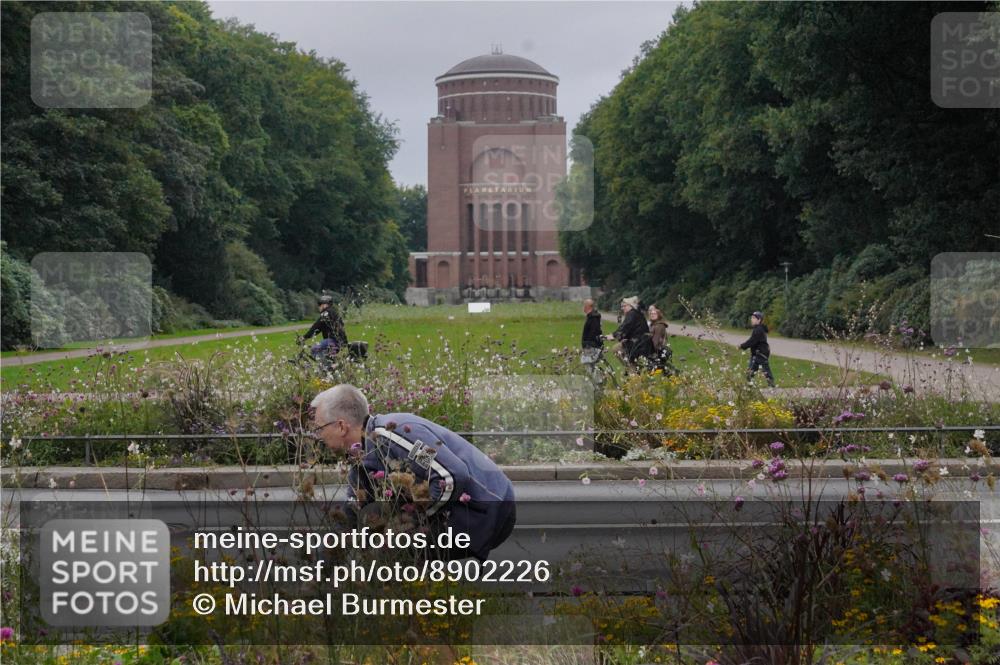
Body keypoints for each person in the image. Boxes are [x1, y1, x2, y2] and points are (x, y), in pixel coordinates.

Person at [310, 384, 516, 561]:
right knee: (371, 521)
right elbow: (352, 514)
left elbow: (451, 476)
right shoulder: (362, 457)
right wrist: (321, 566)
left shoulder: (394, 435)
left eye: (320, 428)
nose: (317, 437)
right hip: (468, 509)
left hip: (490, 509)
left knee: (388, 550)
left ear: (341, 426)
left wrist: (409, 522)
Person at [607, 296, 649, 368]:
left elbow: (625, 327)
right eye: (621, 306)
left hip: (638, 342)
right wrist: (622, 336)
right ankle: (634, 367)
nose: (622, 308)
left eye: (624, 306)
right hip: (641, 340)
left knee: (616, 349)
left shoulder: (632, 314)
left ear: (630, 306)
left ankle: (632, 369)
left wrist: (614, 335)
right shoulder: (636, 313)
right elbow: (630, 329)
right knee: (619, 348)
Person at [301, 294, 348, 360]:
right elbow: (317, 329)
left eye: (320, 304)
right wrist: (307, 337)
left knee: (314, 349)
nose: (319, 306)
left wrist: (304, 337)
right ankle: (333, 366)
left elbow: (316, 326)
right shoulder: (331, 313)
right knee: (327, 356)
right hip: (339, 341)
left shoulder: (327, 313)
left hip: (334, 341)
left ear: (326, 304)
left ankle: (326, 368)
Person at [740, 310, 775, 387]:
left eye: (753, 318)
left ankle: (771, 387)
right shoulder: (758, 328)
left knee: (762, 371)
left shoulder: (758, 330)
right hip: (758, 354)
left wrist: (742, 346)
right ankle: (750, 387)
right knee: (752, 372)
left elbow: (752, 341)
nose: (751, 319)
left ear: (759, 320)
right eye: (751, 318)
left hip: (760, 354)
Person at [647, 305, 674, 373]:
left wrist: (651, 350)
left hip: (658, 350)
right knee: (661, 368)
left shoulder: (659, 326)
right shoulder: (653, 325)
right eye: (651, 314)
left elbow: (655, 340)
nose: (652, 315)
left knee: (656, 368)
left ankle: (675, 375)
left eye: (654, 314)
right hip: (655, 349)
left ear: (658, 315)